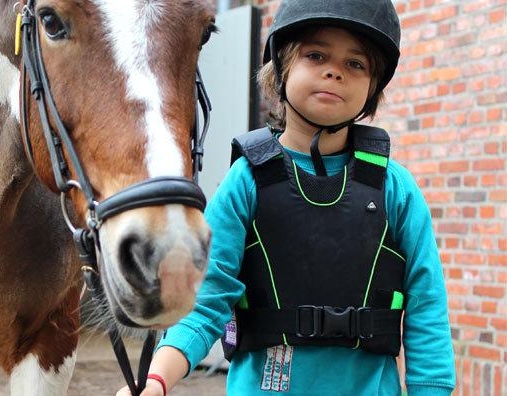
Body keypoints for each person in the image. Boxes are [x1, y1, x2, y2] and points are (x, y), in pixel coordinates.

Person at [117, 0, 456, 395]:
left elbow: (427, 309)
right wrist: (155, 380)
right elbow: (205, 303)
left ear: (372, 88)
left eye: (356, 64)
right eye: (316, 55)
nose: (335, 71)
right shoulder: (246, 183)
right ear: (280, 69)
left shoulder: (396, 190)